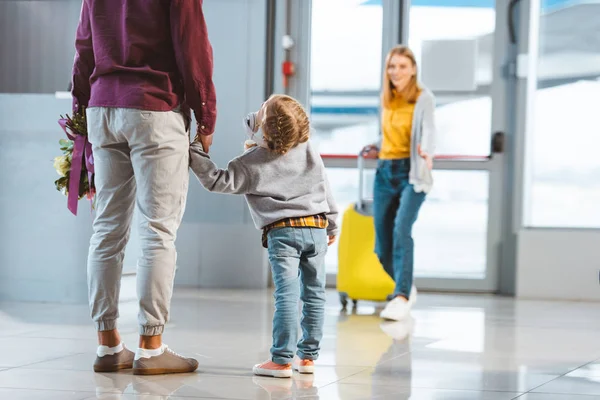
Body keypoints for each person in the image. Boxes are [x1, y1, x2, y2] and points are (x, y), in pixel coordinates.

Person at [71, 0, 217, 374]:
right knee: (157, 229)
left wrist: (81, 108)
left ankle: (107, 346)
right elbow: (192, 45)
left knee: (106, 229)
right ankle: (151, 347)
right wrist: (206, 113)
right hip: (154, 105)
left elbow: (84, 45)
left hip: (102, 105)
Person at [188, 94, 339, 378]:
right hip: (318, 227)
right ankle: (307, 359)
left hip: (283, 233)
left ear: (265, 127)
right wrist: (332, 224)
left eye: (262, 110)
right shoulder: (308, 149)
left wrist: (194, 150)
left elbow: (216, 180)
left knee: (287, 294)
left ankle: (281, 360)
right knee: (315, 293)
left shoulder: (252, 161)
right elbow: (324, 185)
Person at [361, 45, 436, 322]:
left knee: (402, 229)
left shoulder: (423, 98)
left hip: (411, 171)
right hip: (385, 172)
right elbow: (390, 135)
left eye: (402, 66)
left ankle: (401, 295)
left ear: (413, 69)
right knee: (382, 247)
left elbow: (427, 130)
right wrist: (376, 145)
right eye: (392, 66)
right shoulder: (387, 98)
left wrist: (427, 151)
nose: (396, 72)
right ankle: (406, 285)